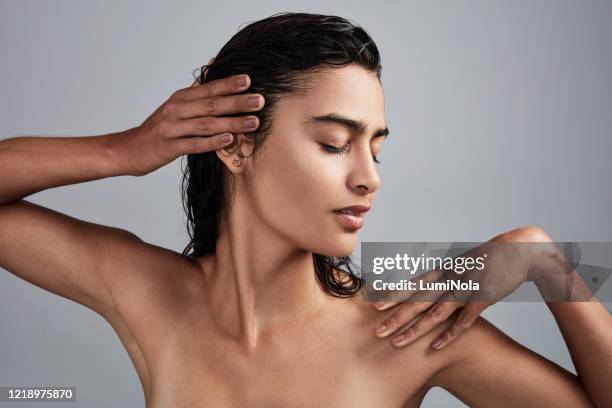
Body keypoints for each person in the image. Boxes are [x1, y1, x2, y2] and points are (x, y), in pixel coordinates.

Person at [0, 12, 610, 408]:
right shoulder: (148, 293)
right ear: (235, 144)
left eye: (375, 148)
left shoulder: (406, 329)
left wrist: (546, 263)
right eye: (334, 144)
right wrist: (127, 149)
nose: (369, 178)